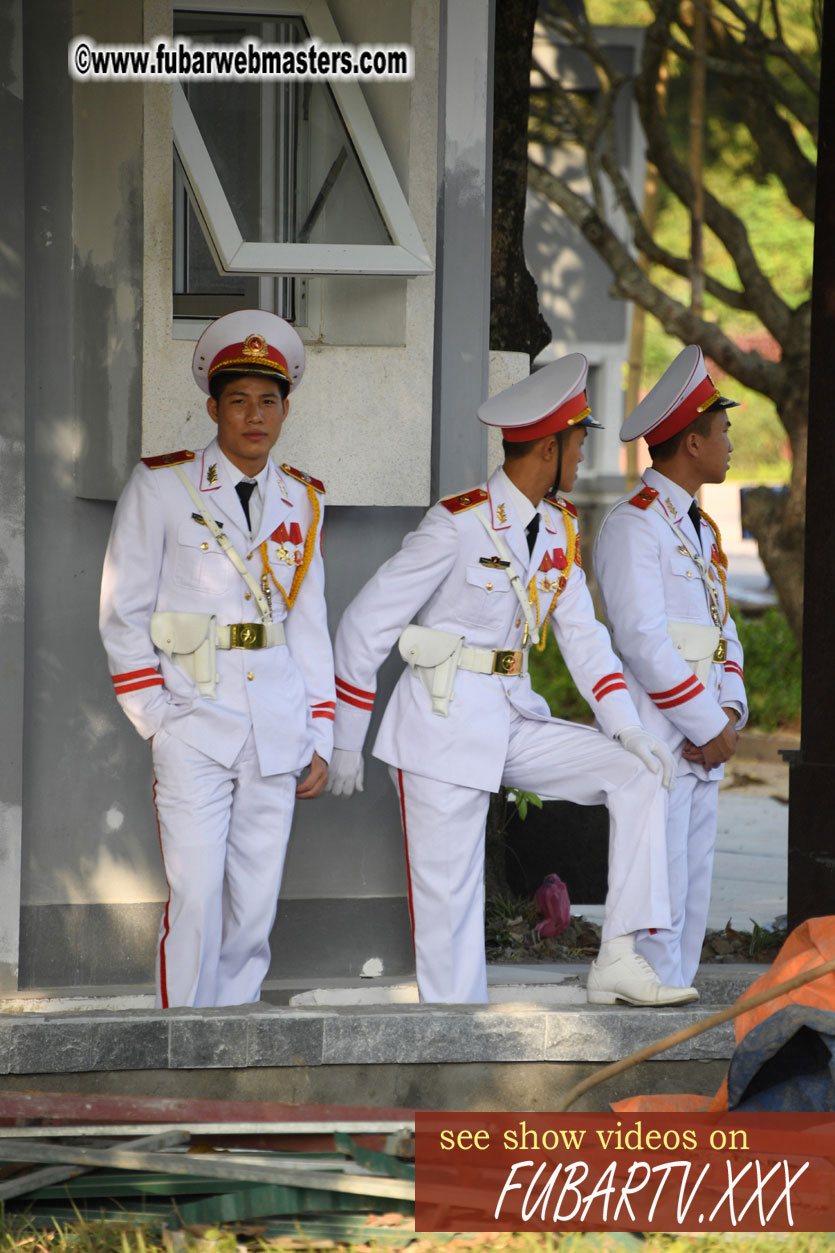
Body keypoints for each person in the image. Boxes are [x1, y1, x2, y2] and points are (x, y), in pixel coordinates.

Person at [327, 354, 697, 1008]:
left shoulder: (556, 528)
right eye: (578, 442)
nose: (584, 455)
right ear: (547, 447)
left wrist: (629, 730)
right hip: (440, 727)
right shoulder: (456, 523)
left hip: (509, 717)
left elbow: (586, 642)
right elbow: (363, 626)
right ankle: (454, 1049)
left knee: (638, 771)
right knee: (450, 913)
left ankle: (617, 955)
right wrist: (346, 739)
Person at [99, 309, 334, 1009]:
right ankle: (181, 1045)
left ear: (285, 409)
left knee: (254, 904)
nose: (254, 415)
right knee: (197, 895)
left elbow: (309, 626)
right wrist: (154, 718)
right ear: (213, 407)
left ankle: (233, 1043)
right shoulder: (162, 486)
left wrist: (319, 732)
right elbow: (122, 609)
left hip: (276, 724)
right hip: (192, 718)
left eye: (268, 400)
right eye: (239, 400)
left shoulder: (303, 498)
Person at [594, 344, 748, 988]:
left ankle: (675, 993)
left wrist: (732, 710)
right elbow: (641, 641)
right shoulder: (634, 526)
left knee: (689, 887)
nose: (730, 441)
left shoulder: (700, 529)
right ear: (691, 443)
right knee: (655, 888)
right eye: (722, 430)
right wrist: (706, 725)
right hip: (663, 739)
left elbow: (722, 630)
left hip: (703, 736)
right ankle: (647, 1001)